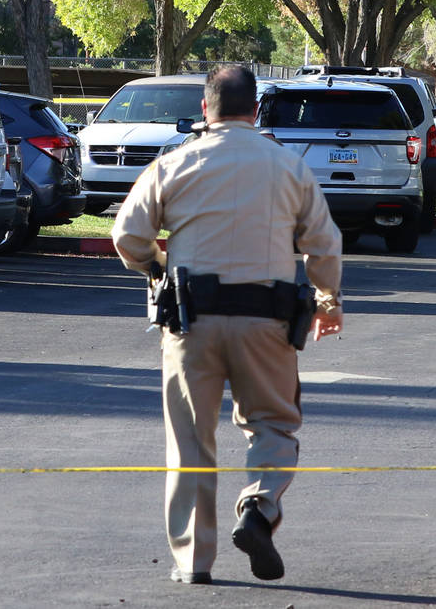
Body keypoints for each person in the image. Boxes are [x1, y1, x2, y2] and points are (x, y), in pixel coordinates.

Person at [111, 65, 343, 585]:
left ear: (205, 110)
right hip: (267, 322)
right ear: (255, 111)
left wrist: (156, 267)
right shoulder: (290, 167)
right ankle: (259, 509)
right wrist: (328, 301)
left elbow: (127, 236)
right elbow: (324, 244)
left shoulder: (173, 163)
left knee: (191, 441)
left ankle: (193, 561)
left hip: (191, 322)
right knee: (273, 425)